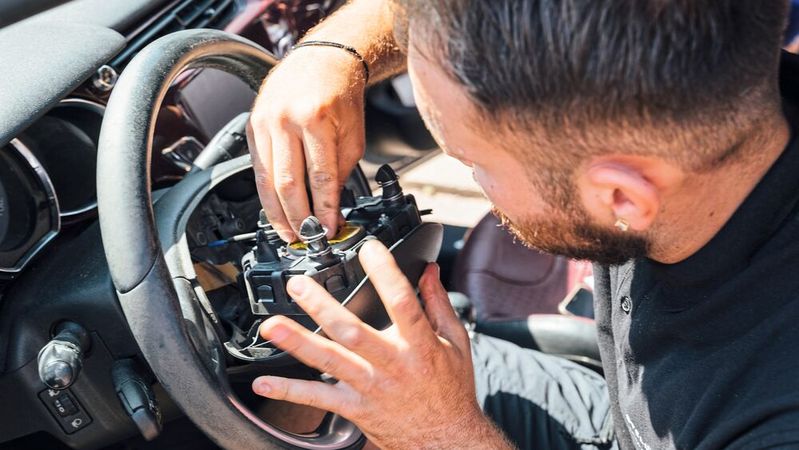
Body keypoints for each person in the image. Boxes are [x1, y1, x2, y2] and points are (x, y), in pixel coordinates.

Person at [245, 1, 799, 448]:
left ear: (621, 198)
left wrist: (442, 434)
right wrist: (333, 55)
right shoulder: (717, 102)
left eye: (472, 162)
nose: (471, 174)